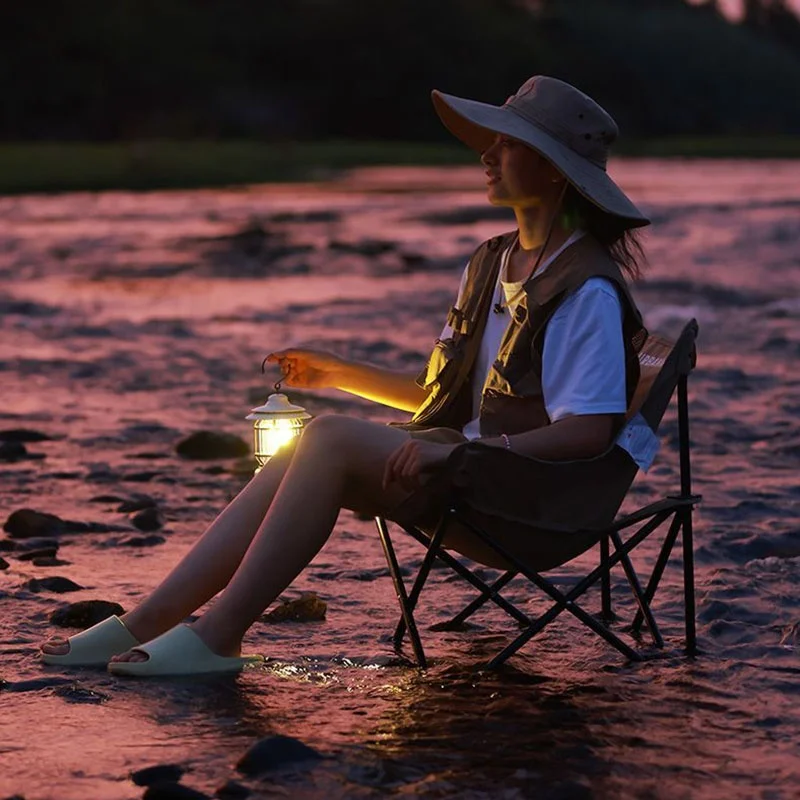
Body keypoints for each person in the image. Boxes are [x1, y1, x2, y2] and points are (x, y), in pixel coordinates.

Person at [40, 75, 657, 676]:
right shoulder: (493, 262)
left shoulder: (586, 290)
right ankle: (148, 622)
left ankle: (217, 635)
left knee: (330, 438)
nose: (487, 154)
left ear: (554, 169)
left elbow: (588, 433)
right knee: (307, 446)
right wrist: (335, 373)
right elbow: (443, 400)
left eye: (508, 144)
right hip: (469, 476)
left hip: (531, 505)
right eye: (490, 141)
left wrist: (464, 453)